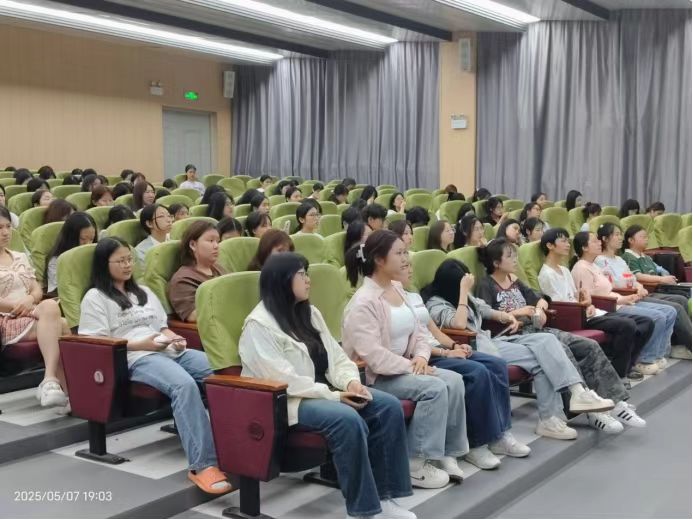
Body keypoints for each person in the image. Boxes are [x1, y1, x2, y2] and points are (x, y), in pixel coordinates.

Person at [242, 252, 417, 518]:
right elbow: (283, 379)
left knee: (388, 407)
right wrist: (334, 396)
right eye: (301, 274)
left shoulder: (309, 313)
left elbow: (337, 357)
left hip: (326, 391)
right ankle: (362, 511)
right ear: (281, 280)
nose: (308, 280)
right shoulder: (259, 325)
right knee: (347, 419)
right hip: (291, 400)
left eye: (307, 273)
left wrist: (351, 382)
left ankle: (385, 497)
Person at [78, 237, 231, 495]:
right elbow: (97, 342)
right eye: (120, 261)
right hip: (136, 357)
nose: (127, 265)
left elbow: (162, 327)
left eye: (130, 259)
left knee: (222, 373)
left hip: (166, 348)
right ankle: (203, 465)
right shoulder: (95, 297)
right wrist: (142, 345)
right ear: (104, 264)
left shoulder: (144, 292)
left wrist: (175, 338)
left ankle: (234, 446)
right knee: (183, 385)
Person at [425, 258, 626, 439]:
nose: (467, 287)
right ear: (452, 285)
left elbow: (485, 310)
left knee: (546, 340)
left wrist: (508, 316)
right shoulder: (435, 304)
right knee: (541, 360)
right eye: (463, 284)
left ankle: (576, 393)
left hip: (491, 340)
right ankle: (550, 418)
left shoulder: (465, 298)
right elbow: (459, 324)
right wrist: (463, 292)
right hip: (475, 347)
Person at [342, 230, 468, 488]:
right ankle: (415, 463)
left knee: (454, 380)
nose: (405, 258)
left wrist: (421, 357)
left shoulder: (398, 289)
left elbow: (419, 330)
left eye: (405, 252)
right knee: (434, 388)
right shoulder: (363, 303)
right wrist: (412, 366)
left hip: (405, 367)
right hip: (376, 377)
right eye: (399, 253)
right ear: (379, 260)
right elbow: (374, 357)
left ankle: (447, 452)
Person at [398, 262, 531, 469]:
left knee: (496, 364)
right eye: (403, 264)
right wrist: (446, 352)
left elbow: (434, 332)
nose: (410, 269)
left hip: (440, 348)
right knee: (477, 372)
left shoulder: (413, 298)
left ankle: (501, 434)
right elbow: (426, 339)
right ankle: (477, 444)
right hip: (426, 355)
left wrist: (454, 345)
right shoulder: (430, 302)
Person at [475, 239, 624, 421]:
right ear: (496, 263)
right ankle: (587, 411)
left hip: (537, 328)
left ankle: (616, 402)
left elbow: (540, 298)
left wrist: (539, 309)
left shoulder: (514, 280)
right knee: (564, 350)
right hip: (515, 335)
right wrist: (518, 312)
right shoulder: (486, 285)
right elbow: (486, 317)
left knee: (588, 345)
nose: (515, 260)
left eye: (515, 255)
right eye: (509, 256)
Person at [539, 229, 654, 395]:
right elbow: (559, 304)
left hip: (586, 312)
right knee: (627, 325)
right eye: (562, 241)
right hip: (574, 318)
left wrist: (586, 302)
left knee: (646, 322)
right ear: (550, 245)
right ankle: (618, 374)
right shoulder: (546, 274)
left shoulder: (564, 269)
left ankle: (623, 366)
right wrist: (583, 306)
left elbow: (575, 296)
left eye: (567, 240)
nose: (567, 244)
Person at [572, 229, 676, 376]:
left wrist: (632, 293)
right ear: (584, 247)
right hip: (606, 307)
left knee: (667, 312)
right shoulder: (581, 268)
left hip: (617, 300)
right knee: (655, 317)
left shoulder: (593, 265)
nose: (599, 243)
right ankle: (641, 359)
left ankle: (649, 357)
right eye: (594, 241)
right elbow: (590, 298)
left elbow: (611, 287)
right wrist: (622, 299)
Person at [0, 206, 71, 412]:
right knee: (62, 325)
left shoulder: (20, 256)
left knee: (49, 305)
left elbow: (36, 288)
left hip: (30, 312)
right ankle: (64, 390)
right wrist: (18, 306)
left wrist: (30, 299)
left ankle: (51, 382)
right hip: (6, 319)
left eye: (8, 227)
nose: (5, 232)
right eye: (0, 228)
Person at [622, 225, 691, 359]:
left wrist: (665, 276)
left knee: (682, 298)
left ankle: (678, 343)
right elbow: (638, 276)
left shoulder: (646, 257)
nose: (646, 239)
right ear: (630, 240)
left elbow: (658, 269)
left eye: (647, 237)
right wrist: (661, 279)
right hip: (648, 291)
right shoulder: (628, 257)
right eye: (642, 237)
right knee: (678, 302)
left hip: (658, 288)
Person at [168, 221, 227, 322]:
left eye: (218, 241)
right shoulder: (183, 279)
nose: (216, 246)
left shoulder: (218, 268)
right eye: (211, 241)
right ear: (193, 245)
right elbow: (193, 316)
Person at [45, 212, 97, 295]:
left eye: (91, 239)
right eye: (83, 239)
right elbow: (57, 291)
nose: (88, 244)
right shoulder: (56, 261)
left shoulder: (94, 254)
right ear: (71, 237)